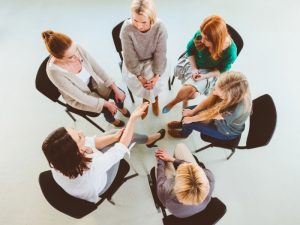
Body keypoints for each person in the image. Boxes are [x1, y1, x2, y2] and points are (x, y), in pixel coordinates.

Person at [42, 103, 166, 203]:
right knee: (128, 138)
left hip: (82, 179)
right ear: (75, 153)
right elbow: (121, 148)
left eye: (75, 131)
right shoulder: (92, 167)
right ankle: (149, 139)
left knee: (114, 134)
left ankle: (147, 139)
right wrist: (133, 119)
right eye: (79, 138)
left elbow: (93, 142)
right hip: (101, 184)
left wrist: (114, 137)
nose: (82, 133)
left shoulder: (59, 157)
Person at [42, 30, 130, 127]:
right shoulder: (54, 72)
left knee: (120, 95)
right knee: (107, 110)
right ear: (58, 58)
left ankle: (121, 108)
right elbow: (81, 97)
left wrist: (115, 88)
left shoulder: (76, 47)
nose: (77, 57)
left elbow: (97, 68)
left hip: (94, 81)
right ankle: (113, 121)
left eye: (76, 50)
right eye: (71, 57)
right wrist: (107, 104)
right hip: (80, 97)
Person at [162, 15, 237, 113]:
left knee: (191, 92)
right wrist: (194, 69)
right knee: (191, 93)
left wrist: (205, 75)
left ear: (216, 41)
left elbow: (222, 70)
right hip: (193, 61)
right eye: (202, 36)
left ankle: (177, 101)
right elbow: (190, 50)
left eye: (205, 39)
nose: (202, 40)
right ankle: (177, 103)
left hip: (210, 71)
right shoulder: (201, 35)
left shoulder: (230, 52)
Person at [120, 0, 169, 119]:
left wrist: (157, 76)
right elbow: (129, 57)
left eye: (144, 22)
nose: (138, 26)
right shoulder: (127, 29)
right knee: (146, 82)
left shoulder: (160, 27)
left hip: (154, 60)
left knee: (153, 81)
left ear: (152, 19)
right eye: (135, 20)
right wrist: (139, 76)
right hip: (135, 64)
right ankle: (148, 101)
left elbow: (160, 53)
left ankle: (152, 101)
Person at [167, 71, 252, 139]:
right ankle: (182, 123)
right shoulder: (229, 86)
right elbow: (208, 101)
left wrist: (191, 118)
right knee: (189, 111)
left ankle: (183, 134)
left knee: (190, 122)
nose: (214, 92)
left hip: (225, 130)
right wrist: (192, 112)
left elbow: (211, 115)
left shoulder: (235, 110)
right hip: (219, 113)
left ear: (229, 97)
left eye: (219, 94)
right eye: (215, 89)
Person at [155, 143, 215, 218]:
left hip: (181, 213)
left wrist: (160, 161)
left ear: (176, 181)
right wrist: (172, 159)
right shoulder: (210, 177)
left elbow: (161, 179)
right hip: (199, 206)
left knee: (165, 160)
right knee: (180, 147)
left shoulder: (166, 192)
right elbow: (193, 167)